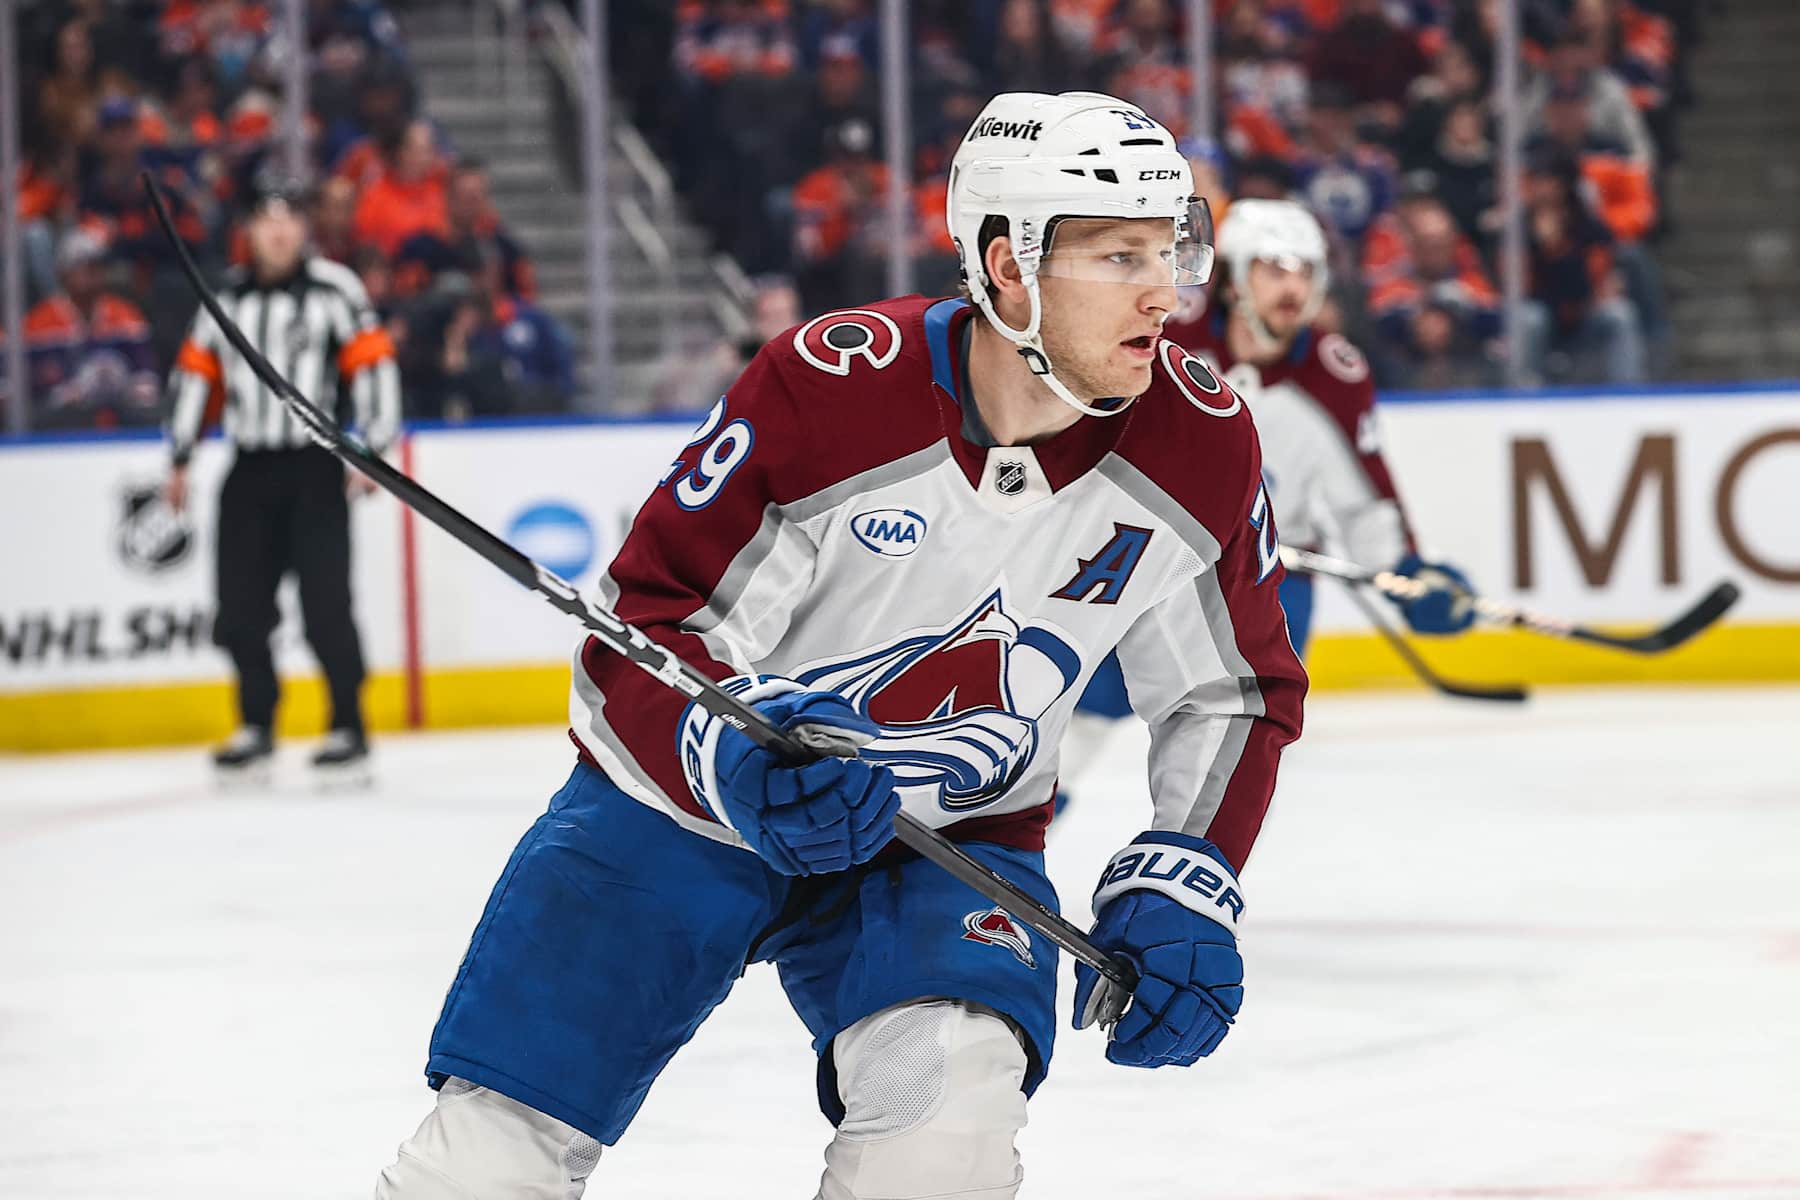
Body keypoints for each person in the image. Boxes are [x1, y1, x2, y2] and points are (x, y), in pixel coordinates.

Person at [374, 90, 1306, 1199]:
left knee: (945, 1139)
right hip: (678, 813)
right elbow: (644, 635)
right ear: (1007, 264)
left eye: (1171, 250)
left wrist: (1188, 872)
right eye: (1119, 256)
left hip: (944, 840)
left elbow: (1232, 692)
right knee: (488, 1162)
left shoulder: (1202, 444)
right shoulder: (829, 389)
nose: (1166, 293)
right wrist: (734, 756)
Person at [163, 174, 400, 781]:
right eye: (266, 218)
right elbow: (195, 374)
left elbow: (372, 364)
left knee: (326, 605)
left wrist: (373, 449)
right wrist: (180, 456)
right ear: (248, 229)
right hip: (248, 470)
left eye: (290, 217)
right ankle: (256, 724)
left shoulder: (334, 289)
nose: (279, 231)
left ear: (305, 228)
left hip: (314, 472)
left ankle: (347, 723)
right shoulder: (224, 295)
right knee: (240, 608)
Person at [1164, 198, 1475, 656]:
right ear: (1232, 280)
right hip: (1158, 556)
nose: (1294, 287)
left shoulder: (1333, 376)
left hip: (1272, 568)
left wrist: (1405, 573)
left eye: (1306, 272)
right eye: (1275, 270)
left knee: (1265, 695)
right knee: (1108, 689)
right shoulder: (1169, 341)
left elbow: (1361, 501)